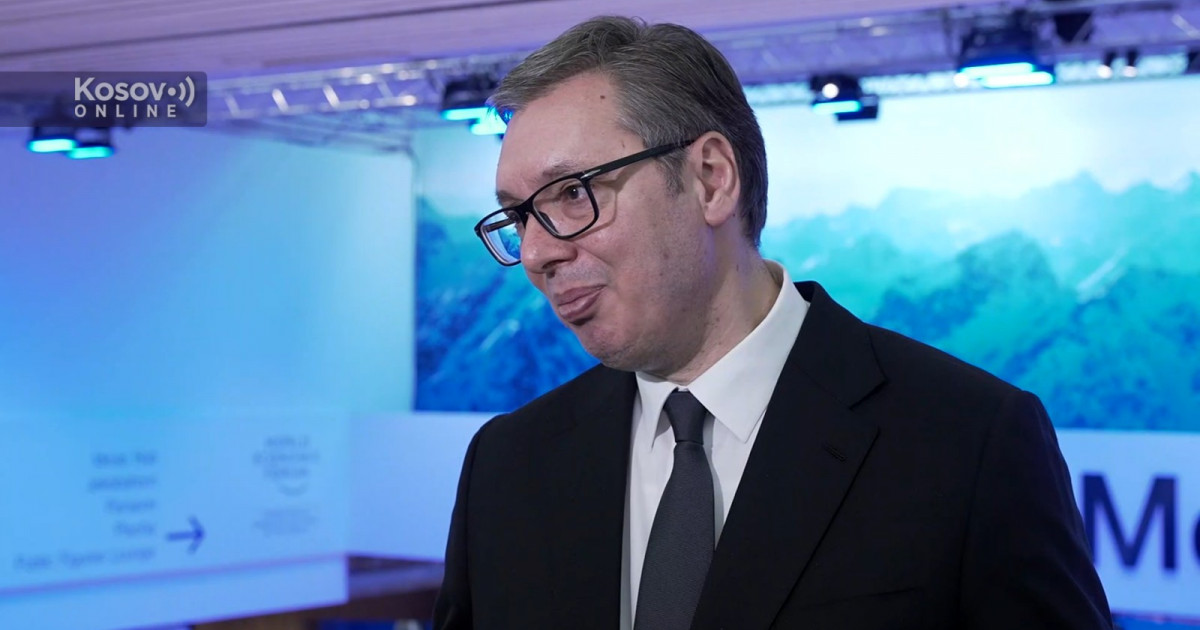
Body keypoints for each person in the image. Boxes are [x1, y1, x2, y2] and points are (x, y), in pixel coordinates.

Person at [434, 15, 1112, 630]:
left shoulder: (970, 442)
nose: (535, 254)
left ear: (710, 179)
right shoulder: (507, 466)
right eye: (518, 216)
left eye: (572, 194)